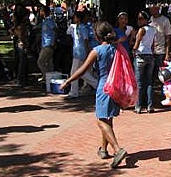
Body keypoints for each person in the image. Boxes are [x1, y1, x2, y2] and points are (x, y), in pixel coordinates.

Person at [59, 21, 127, 168]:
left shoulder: (97, 51)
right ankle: (103, 149)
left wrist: (68, 81)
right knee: (107, 119)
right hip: (115, 87)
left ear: (97, 36)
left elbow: (82, 70)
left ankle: (118, 149)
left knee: (100, 121)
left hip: (104, 88)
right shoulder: (117, 48)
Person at [65, 11, 98, 99]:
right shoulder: (76, 28)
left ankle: (74, 92)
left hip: (81, 53)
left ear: (78, 18)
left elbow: (86, 41)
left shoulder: (83, 28)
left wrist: (87, 53)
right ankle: (97, 85)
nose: (74, 19)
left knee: (74, 73)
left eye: (75, 17)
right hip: (76, 52)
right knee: (82, 73)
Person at [132, 11, 156, 114]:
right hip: (150, 55)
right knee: (149, 82)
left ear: (146, 20)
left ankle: (138, 106)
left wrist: (133, 50)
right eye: (138, 18)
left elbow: (137, 44)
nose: (139, 20)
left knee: (139, 82)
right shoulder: (153, 30)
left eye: (141, 18)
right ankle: (150, 105)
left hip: (140, 55)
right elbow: (152, 44)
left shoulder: (141, 30)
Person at [148, 5, 171, 85]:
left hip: (160, 51)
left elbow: (168, 38)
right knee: (150, 75)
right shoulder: (149, 20)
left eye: (153, 7)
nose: (151, 9)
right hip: (149, 51)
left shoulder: (165, 20)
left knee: (161, 75)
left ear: (158, 8)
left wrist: (167, 53)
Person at [9, 11, 30, 86]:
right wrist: (25, 43)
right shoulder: (20, 26)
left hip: (19, 44)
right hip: (21, 44)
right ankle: (20, 80)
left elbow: (12, 32)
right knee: (22, 63)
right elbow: (21, 36)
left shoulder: (17, 26)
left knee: (22, 62)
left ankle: (21, 79)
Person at [37, 6, 57, 82]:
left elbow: (55, 30)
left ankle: (46, 76)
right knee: (49, 62)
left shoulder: (49, 21)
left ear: (44, 12)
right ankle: (50, 78)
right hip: (45, 44)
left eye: (41, 11)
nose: (39, 13)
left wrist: (53, 42)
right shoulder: (44, 21)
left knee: (40, 61)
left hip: (48, 44)